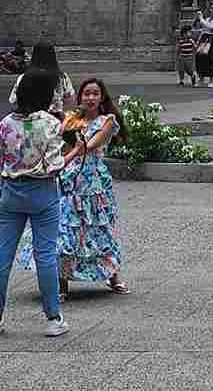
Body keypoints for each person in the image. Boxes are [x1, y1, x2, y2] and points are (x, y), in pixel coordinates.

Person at [24, 77, 126, 299]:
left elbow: (91, 145)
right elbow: (57, 143)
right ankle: (61, 283)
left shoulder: (107, 120)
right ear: (79, 97)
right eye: (86, 94)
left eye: (95, 93)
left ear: (102, 97)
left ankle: (113, 275)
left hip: (93, 181)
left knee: (98, 227)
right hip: (68, 176)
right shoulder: (71, 119)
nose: (90, 98)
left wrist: (75, 137)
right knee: (64, 228)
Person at [0, 70, 69, 337]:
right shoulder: (51, 123)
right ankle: (53, 318)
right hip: (43, 193)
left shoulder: (5, 123)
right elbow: (55, 166)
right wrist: (74, 151)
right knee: (45, 256)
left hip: (10, 191)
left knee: (3, 256)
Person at [8, 42, 74, 116]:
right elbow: (70, 99)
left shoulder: (24, 77)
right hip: (55, 118)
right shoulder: (62, 77)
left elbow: (13, 100)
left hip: (29, 120)